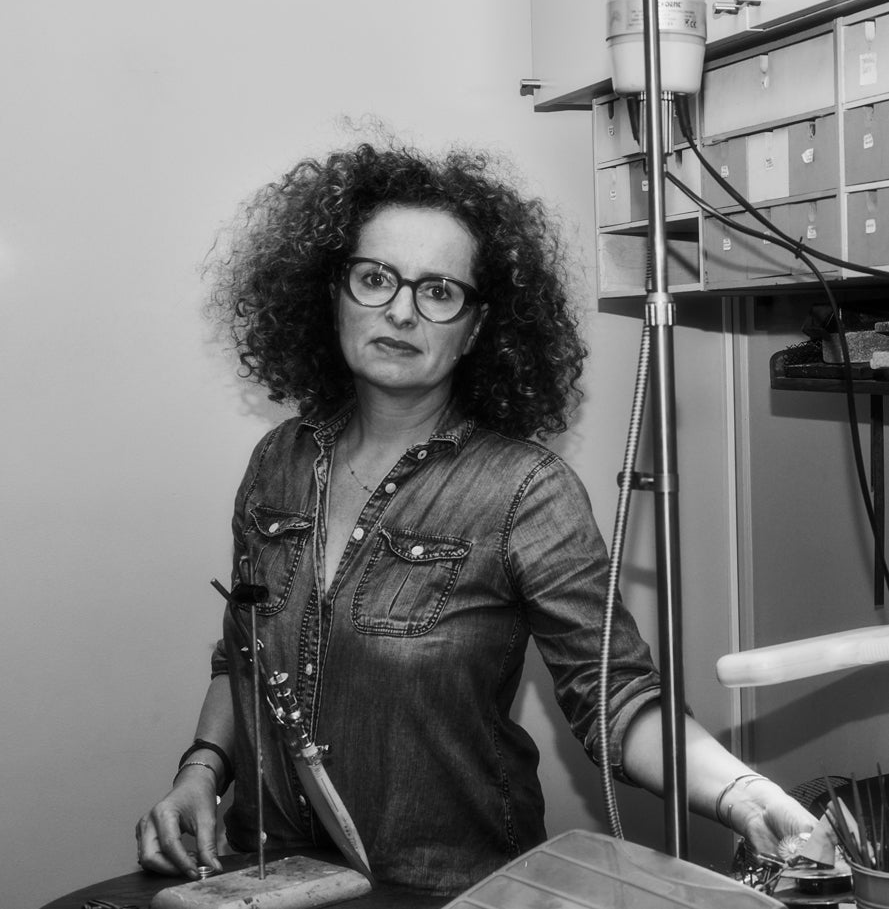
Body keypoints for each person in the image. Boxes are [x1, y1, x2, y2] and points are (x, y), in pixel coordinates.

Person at [136, 141, 815, 895]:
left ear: (478, 325)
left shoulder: (525, 490)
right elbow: (244, 656)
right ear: (333, 292)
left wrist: (741, 793)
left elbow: (616, 697)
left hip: (451, 888)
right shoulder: (279, 461)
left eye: (438, 291)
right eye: (374, 278)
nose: (400, 311)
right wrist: (202, 770)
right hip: (275, 878)